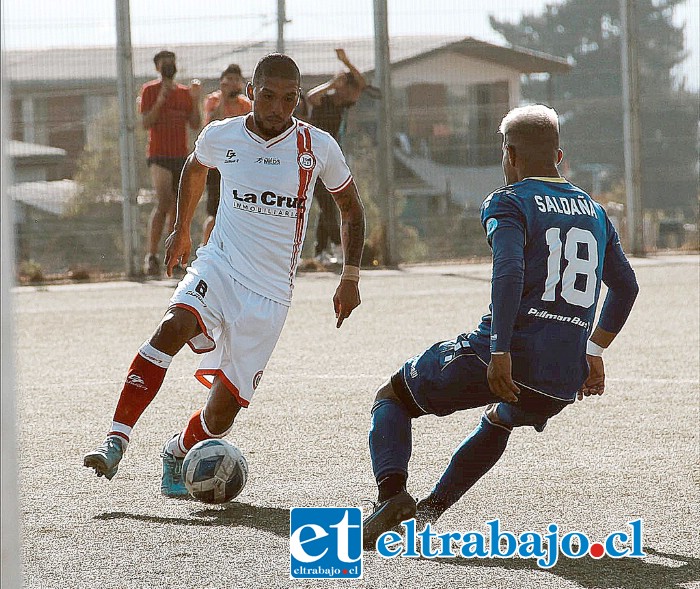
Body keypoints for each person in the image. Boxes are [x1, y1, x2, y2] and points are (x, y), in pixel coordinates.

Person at [84, 54, 366, 497]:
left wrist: (350, 276)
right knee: (172, 326)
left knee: (220, 417)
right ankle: (115, 440)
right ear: (251, 93)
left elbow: (351, 208)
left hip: (271, 293)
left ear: (298, 99)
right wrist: (181, 229)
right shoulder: (222, 135)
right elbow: (194, 168)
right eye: (268, 96)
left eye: (289, 99)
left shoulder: (318, 147)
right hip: (219, 265)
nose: (277, 108)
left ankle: (178, 449)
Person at [361, 104, 639, 549]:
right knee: (499, 418)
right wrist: (594, 351)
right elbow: (626, 287)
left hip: (510, 354)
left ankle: (391, 495)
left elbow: (508, 271)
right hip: (563, 379)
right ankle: (428, 513)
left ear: (510, 154)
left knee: (392, 396)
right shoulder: (596, 212)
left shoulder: (508, 201)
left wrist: (499, 350)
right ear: (559, 156)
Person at [139, 50, 202, 277]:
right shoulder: (150, 90)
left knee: (178, 206)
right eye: (165, 63)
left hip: (180, 155)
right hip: (159, 155)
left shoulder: (185, 93)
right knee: (163, 201)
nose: (169, 66)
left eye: (172, 62)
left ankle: (172, 258)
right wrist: (161, 99)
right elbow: (146, 122)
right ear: (157, 67)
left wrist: (195, 101)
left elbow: (195, 124)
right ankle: (152, 255)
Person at [306, 49, 371, 264]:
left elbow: (361, 83)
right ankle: (336, 245)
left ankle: (321, 252)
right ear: (344, 88)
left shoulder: (344, 103)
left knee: (330, 204)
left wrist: (346, 62)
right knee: (326, 203)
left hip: (330, 158)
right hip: (312, 158)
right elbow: (310, 97)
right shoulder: (326, 99)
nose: (357, 96)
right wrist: (333, 84)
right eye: (352, 91)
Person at [201, 64, 252, 244]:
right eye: (228, 79)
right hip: (216, 164)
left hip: (238, 166)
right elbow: (211, 125)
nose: (232, 83)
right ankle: (204, 247)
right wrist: (224, 98)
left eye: (235, 80)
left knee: (238, 210)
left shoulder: (245, 104)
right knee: (214, 212)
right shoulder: (213, 100)